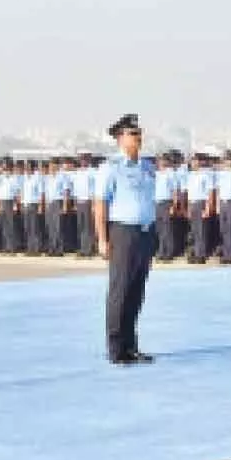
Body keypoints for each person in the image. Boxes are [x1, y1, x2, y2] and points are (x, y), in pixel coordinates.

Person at [95, 114, 156, 365]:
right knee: (119, 291)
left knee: (136, 291)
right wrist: (102, 239)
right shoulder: (111, 167)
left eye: (139, 132)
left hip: (145, 232)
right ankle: (116, 349)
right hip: (123, 233)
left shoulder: (147, 167)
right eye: (133, 133)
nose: (138, 137)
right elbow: (99, 204)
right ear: (120, 138)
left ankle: (131, 345)